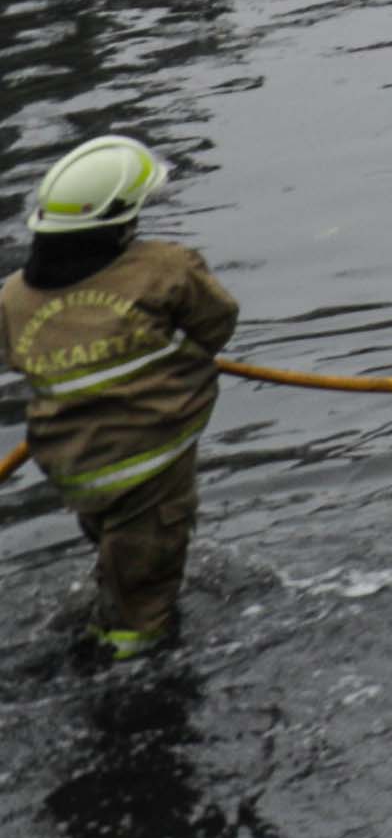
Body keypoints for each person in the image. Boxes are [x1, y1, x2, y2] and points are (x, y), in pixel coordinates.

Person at [11, 138, 240, 660]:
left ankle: (109, 616)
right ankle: (132, 681)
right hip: (151, 467)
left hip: (75, 467)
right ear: (124, 219)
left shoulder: (11, 298)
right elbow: (216, 325)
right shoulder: (164, 268)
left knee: (117, 560)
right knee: (144, 605)